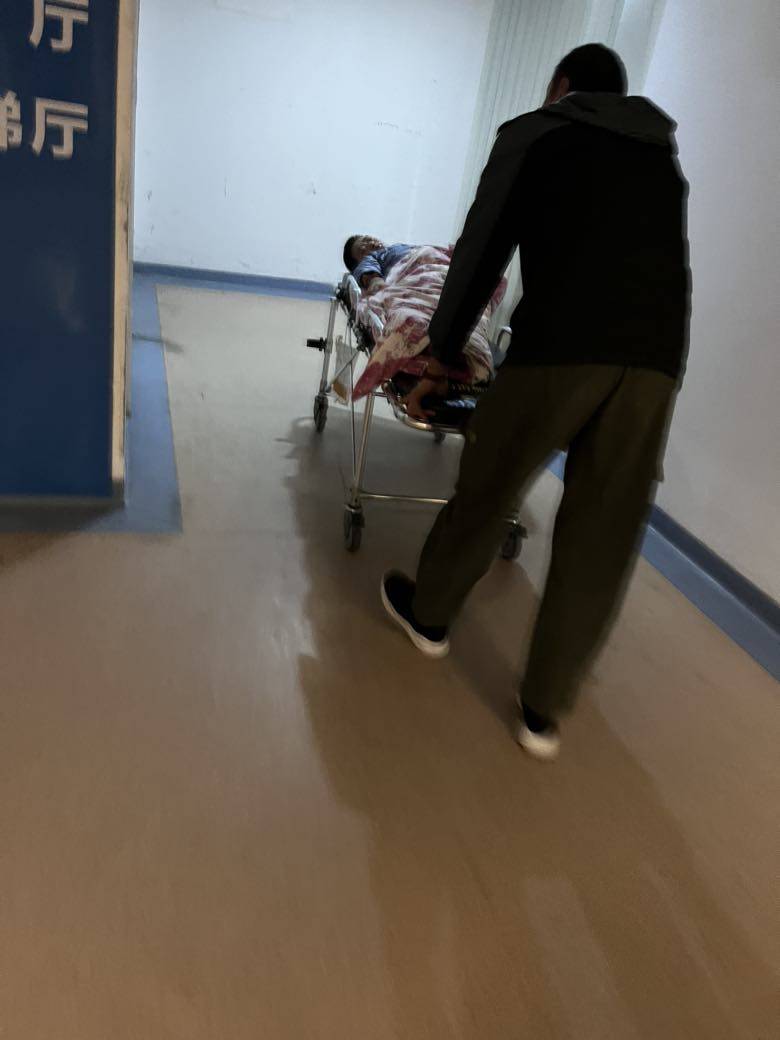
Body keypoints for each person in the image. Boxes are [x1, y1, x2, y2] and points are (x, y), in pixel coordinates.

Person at [380, 43, 691, 760]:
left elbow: (481, 251)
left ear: (562, 86)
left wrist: (443, 354)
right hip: (654, 365)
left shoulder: (537, 133)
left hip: (562, 345)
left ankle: (429, 618)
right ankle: (542, 711)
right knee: (602, 535)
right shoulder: (660, 155)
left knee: (490, 483)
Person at [343, 235, 414, 292]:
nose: (370, 244)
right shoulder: (371, 258)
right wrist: (376, 283)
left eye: (367, 239)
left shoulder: (398, 246)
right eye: (362, 251)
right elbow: (368, 271)